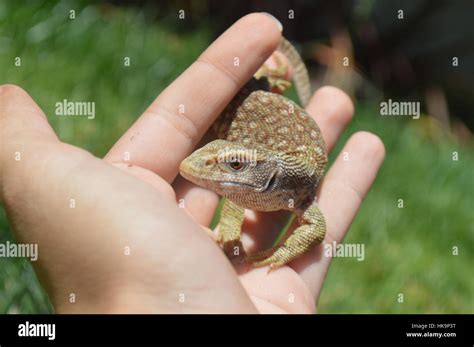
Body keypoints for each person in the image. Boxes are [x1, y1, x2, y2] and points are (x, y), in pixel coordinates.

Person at [0, 13, 385, 313]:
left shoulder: (292, 187)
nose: (225, 176)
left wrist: (281, 252)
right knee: (234, 95)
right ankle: (268, 72)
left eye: (232, 166)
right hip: (254, 122)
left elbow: (314, 224)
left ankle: (269, 74)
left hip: (262, 132)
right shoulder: (255, 176)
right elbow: (243, 186)